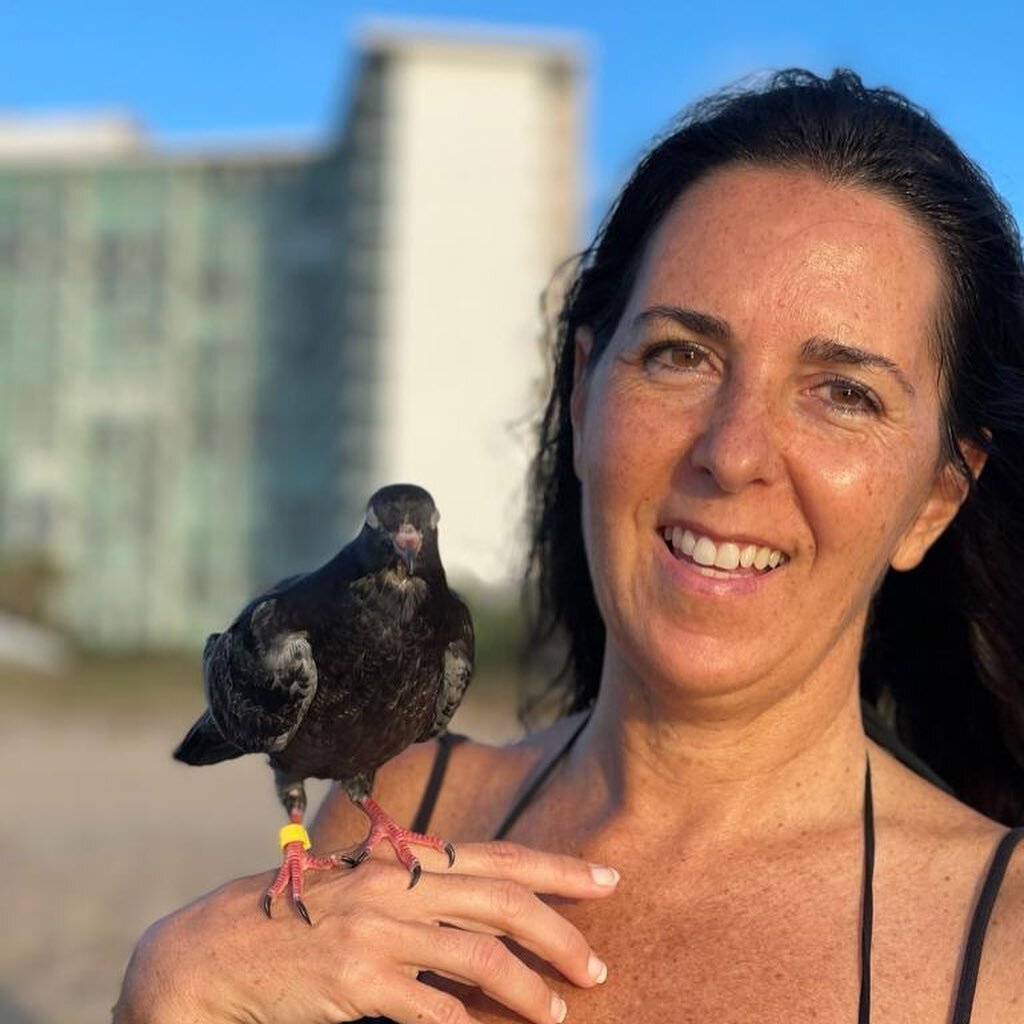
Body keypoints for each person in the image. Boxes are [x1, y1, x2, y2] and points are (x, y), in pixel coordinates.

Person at [114, 68, 1024, 1024]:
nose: (734, 453)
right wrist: (167, 995)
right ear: (585, 394)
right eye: (680, 354)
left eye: (845, 391)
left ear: (936, 496)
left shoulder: (1002, 942)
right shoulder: (396, 816)